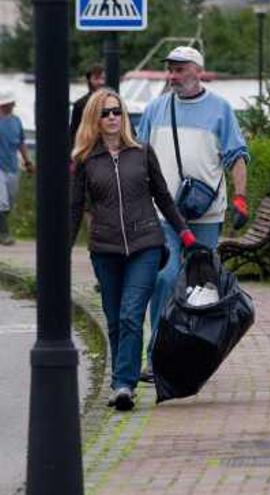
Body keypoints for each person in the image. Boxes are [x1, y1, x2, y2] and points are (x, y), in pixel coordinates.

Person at [69, 89, 197, 411]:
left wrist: (183, 232)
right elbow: (73, 209)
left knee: (130, 315)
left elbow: (163, 197)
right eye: (106, 113)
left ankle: (124, 385)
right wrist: (61, 252)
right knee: (114, 320)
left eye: (117, 111)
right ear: (94, 120)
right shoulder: (86, 160)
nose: (113, 117)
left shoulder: (142, 152)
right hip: (105, 248)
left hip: (146, 245)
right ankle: (118, 382)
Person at [137, 46, 250, 381]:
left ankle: (195, 355)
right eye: (170, 70)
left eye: (179, 69)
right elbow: (137, 156)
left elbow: (237, 155)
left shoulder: (220, 110)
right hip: (165, 214)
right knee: (165, 278)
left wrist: (240, 199)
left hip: (207, 215)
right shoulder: (157, 109)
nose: (172, 76)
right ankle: (156, 356)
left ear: (197, 70)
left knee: (203, 288)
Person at [0, 91, 34, 246]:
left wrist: (28, 162)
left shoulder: (16, 121)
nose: (12, 105)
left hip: (12, 166)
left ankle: (2, 230)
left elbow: (21, 143)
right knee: (2, 201)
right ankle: (4, 234)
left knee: (10, 200)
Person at [70, 64, 106, 145]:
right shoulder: (80, 104)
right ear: (89, 80)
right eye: (96, 79)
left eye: (103, 78)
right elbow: (74, 132)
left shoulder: (113, 101)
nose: (101, 82)